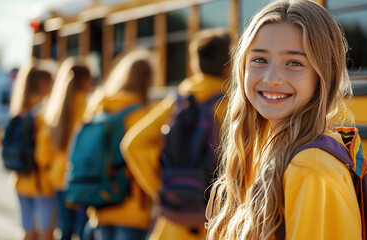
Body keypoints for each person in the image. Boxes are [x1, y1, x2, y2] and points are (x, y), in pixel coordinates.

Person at [205, 0, 362, 239]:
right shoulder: (272, 152)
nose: (272, 78)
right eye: (260, 60)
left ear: (324, 76)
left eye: (294, 63)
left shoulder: (309, 169)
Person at [121, 28, 231, 240]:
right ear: (229, 66)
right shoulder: (230, 105)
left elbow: (131, 144)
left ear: (194, 64)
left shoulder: (178, 102)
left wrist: (161, 190)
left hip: (173, 221)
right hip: (215, 220)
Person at [84, 48, 154, 240]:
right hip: (132, 207)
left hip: (100, 202)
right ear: (147, 79)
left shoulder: (99, 109)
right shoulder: (144, 116)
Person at [43, 58, 93, 240]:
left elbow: (46, 147)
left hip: (58, 177)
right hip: (81, 177)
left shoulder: (55, 108)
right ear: (84, 80)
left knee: (65, 229)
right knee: (82, 230)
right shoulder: (90, 106)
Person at [8, 59, 57, 240]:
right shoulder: (45, 113)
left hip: (20, 178)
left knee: (28, 231)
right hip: (41, 182)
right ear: (43, 83)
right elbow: (43, 153)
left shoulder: (17, 110)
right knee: (47, 232)